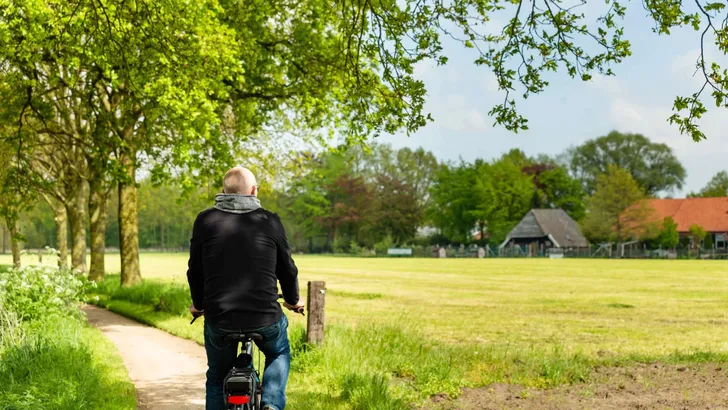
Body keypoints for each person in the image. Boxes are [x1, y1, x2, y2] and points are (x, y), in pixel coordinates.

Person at [187, 166, 304, 410]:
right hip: (265, 317)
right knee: (279, 352)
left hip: (220, 318)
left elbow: (195, 271)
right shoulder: (269, 220)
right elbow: (287, 269)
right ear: (253, 191)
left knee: (217, 375)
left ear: (223, 191)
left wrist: (198, 305)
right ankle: (271, 404)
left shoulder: (205, 220)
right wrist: (293, 301)